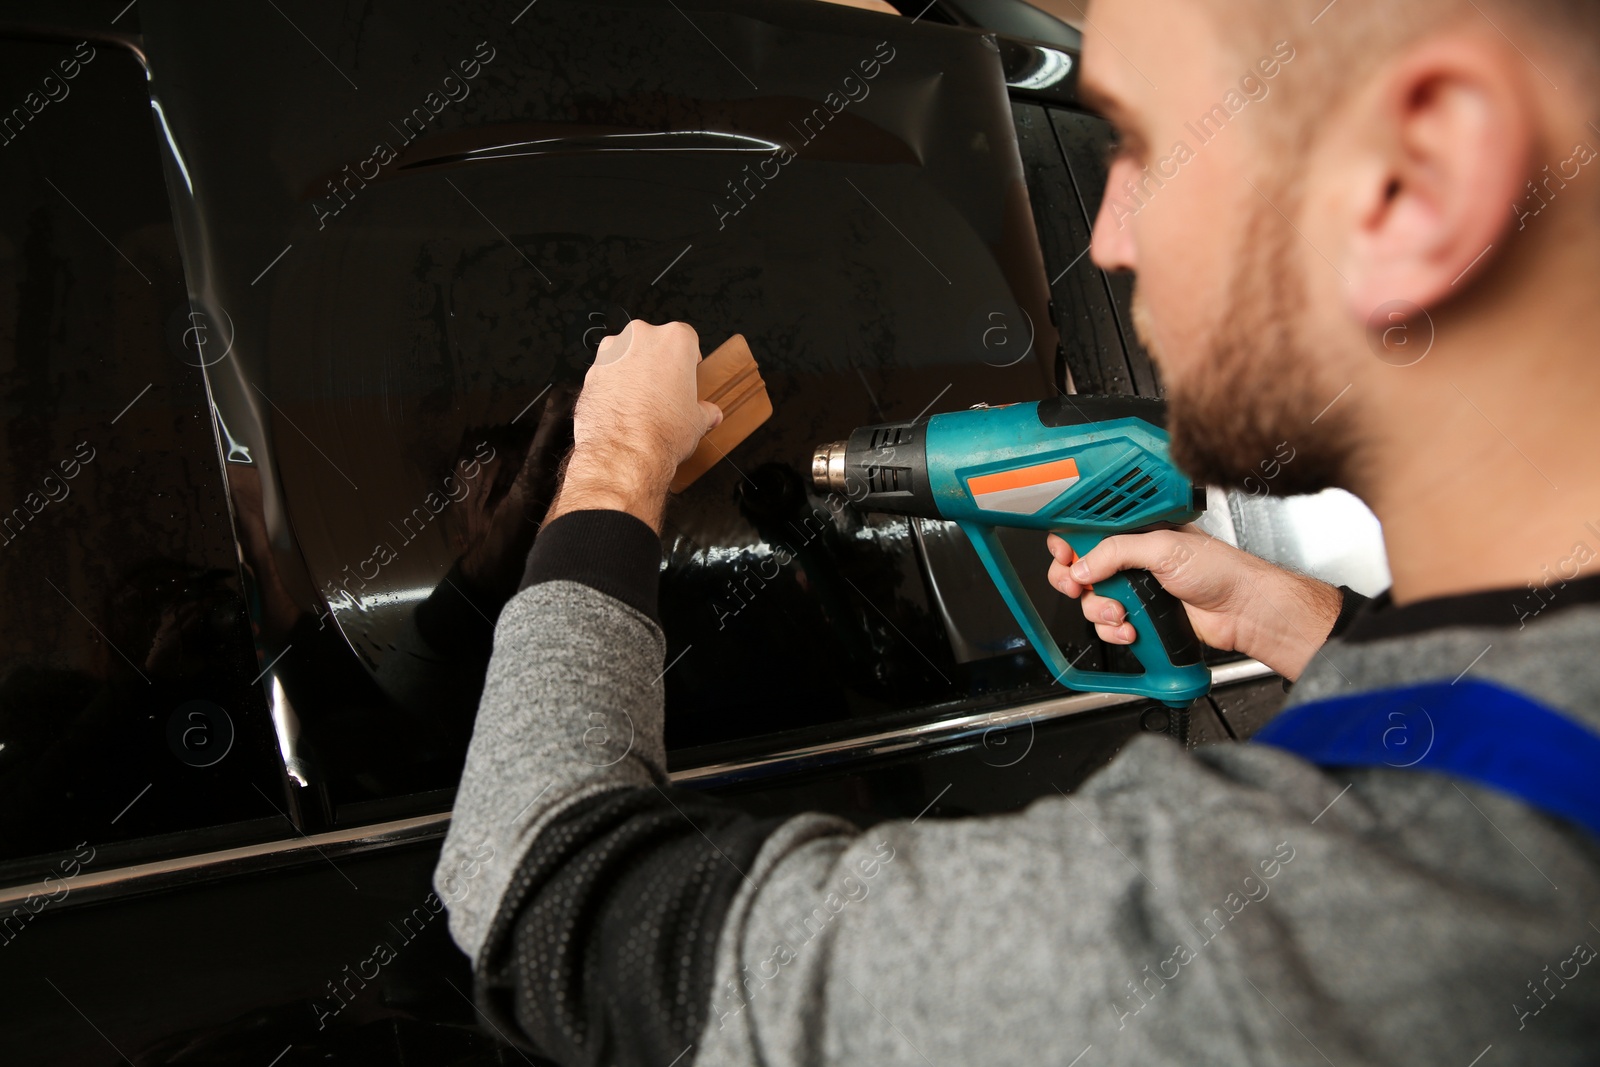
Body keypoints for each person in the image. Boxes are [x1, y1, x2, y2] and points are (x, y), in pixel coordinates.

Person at [434, 0, 1600, 1062]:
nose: (1108, 238)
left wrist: (615, 460)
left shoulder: (1255, 942)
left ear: (1420, 173)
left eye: (1144, 144)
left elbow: (545, 904)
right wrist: (1303, 628)